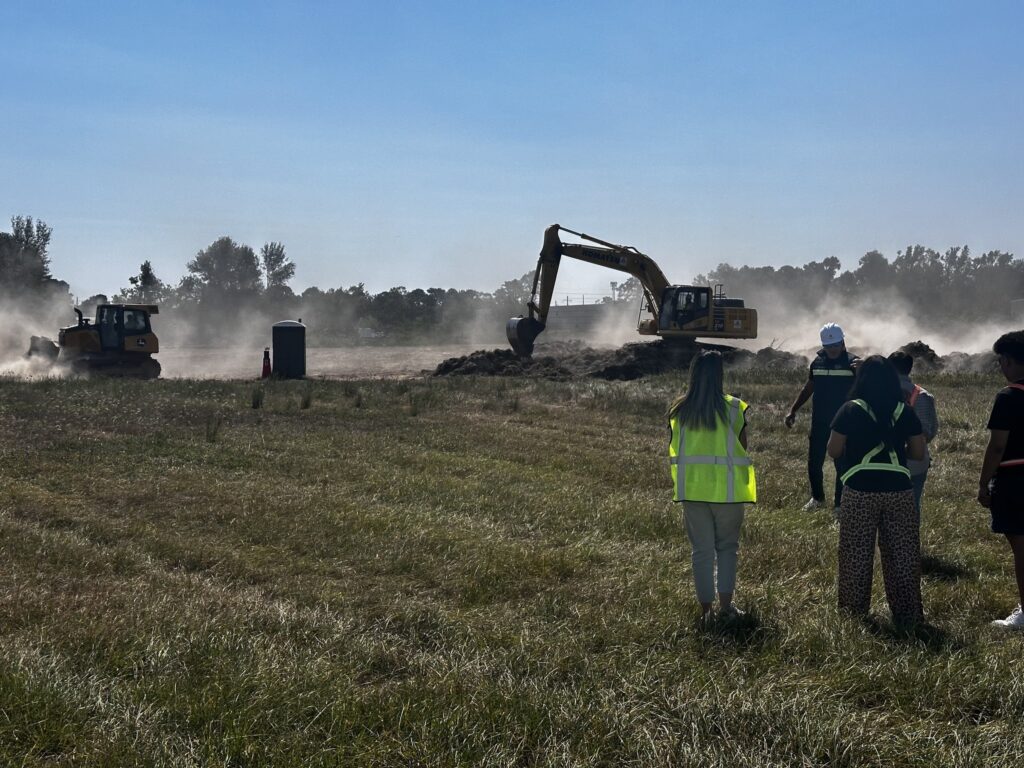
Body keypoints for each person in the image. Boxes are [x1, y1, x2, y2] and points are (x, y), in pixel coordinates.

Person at [827, 355, 926, 624]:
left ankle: (853, 614)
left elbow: (833, 449)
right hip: (899, 490)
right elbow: (918, 452)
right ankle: (908, 616)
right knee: (902, 555)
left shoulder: (850, 409)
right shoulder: (904, 410)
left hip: (860, 490)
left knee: (856, 553)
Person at [668, 350, 757, 623]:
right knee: (727, 548)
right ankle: (726, 607)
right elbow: (744, 446)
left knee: (701, 551)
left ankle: (706, 612)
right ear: (720, 375)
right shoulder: (734, 408)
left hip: (692, 490)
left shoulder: (678, 411)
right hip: (728, 492)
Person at [785, 322, 861, 512]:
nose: (832, 350)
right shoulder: (817, 363)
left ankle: (839, 504)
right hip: (819, 420)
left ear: (843, 342)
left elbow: (866, 386)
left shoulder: (854, 363)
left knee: (841, 463)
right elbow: (809, 387)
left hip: (844, 423)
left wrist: (862, 370)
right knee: (814, 461)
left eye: (835, 345)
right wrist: (793, 409)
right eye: (828, 347)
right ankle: (817, 498)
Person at [977, 331, 1024, 630]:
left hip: (1016, 479)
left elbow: (997, 446)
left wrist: (983, 483)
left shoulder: (1008, 397)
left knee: (1021, 547)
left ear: (1007, 361)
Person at [887, 351, 939, 514]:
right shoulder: (923, 396)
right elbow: (930, 431)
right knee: (911, 508)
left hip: (884, 461)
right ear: (910, 369)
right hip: (916, 464)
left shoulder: (880, 393)